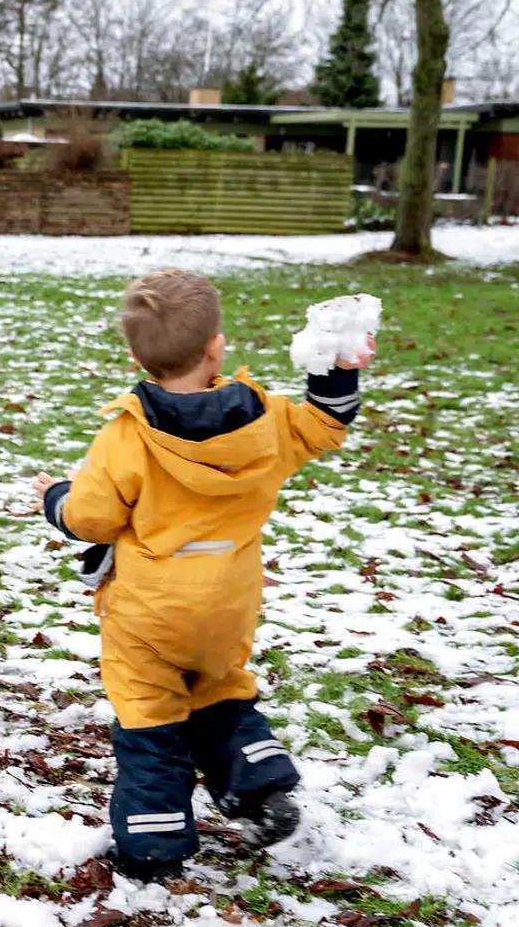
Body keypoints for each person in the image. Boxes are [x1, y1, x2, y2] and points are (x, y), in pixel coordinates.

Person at [33, 268, 376, 882]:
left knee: (150, 716)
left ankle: (153, 847)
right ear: (216, 345)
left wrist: (56, 497)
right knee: (218, 688)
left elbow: (92, 517)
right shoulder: (263, 419)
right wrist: (340, 369)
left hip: (148, 611)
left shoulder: (127, 435)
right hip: (229, 602)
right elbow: (325, 424)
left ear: (136, 354)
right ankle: (261, 793)